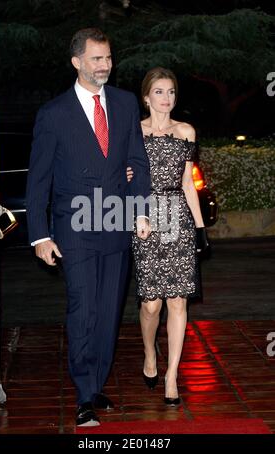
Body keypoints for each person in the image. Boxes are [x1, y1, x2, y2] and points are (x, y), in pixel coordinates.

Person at [26, 28, 151, 427]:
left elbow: (138, 161)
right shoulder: (54, 114)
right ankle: (83, 394)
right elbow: (39, 179)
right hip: (74, 225)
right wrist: (40, 234)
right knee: (83, 308)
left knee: (109, 309)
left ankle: (96, 383)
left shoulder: (126, 103)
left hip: (115, 219)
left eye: (109, 58)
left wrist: (142, 210)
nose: (105, 66)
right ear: (77, 61)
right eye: (97, 58)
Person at [132, 67, 208, 406]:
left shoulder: (187, 131)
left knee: (178, 301)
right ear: (147, 97)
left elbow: (188, 182)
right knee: (151, 303)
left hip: (178, 217)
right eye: (160, 92)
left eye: (171, 92)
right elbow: (126, 179)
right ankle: (150, 352)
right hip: (146, 218)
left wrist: (201, 227)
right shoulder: (133, 132)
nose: (167, 99)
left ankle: (171, 375)